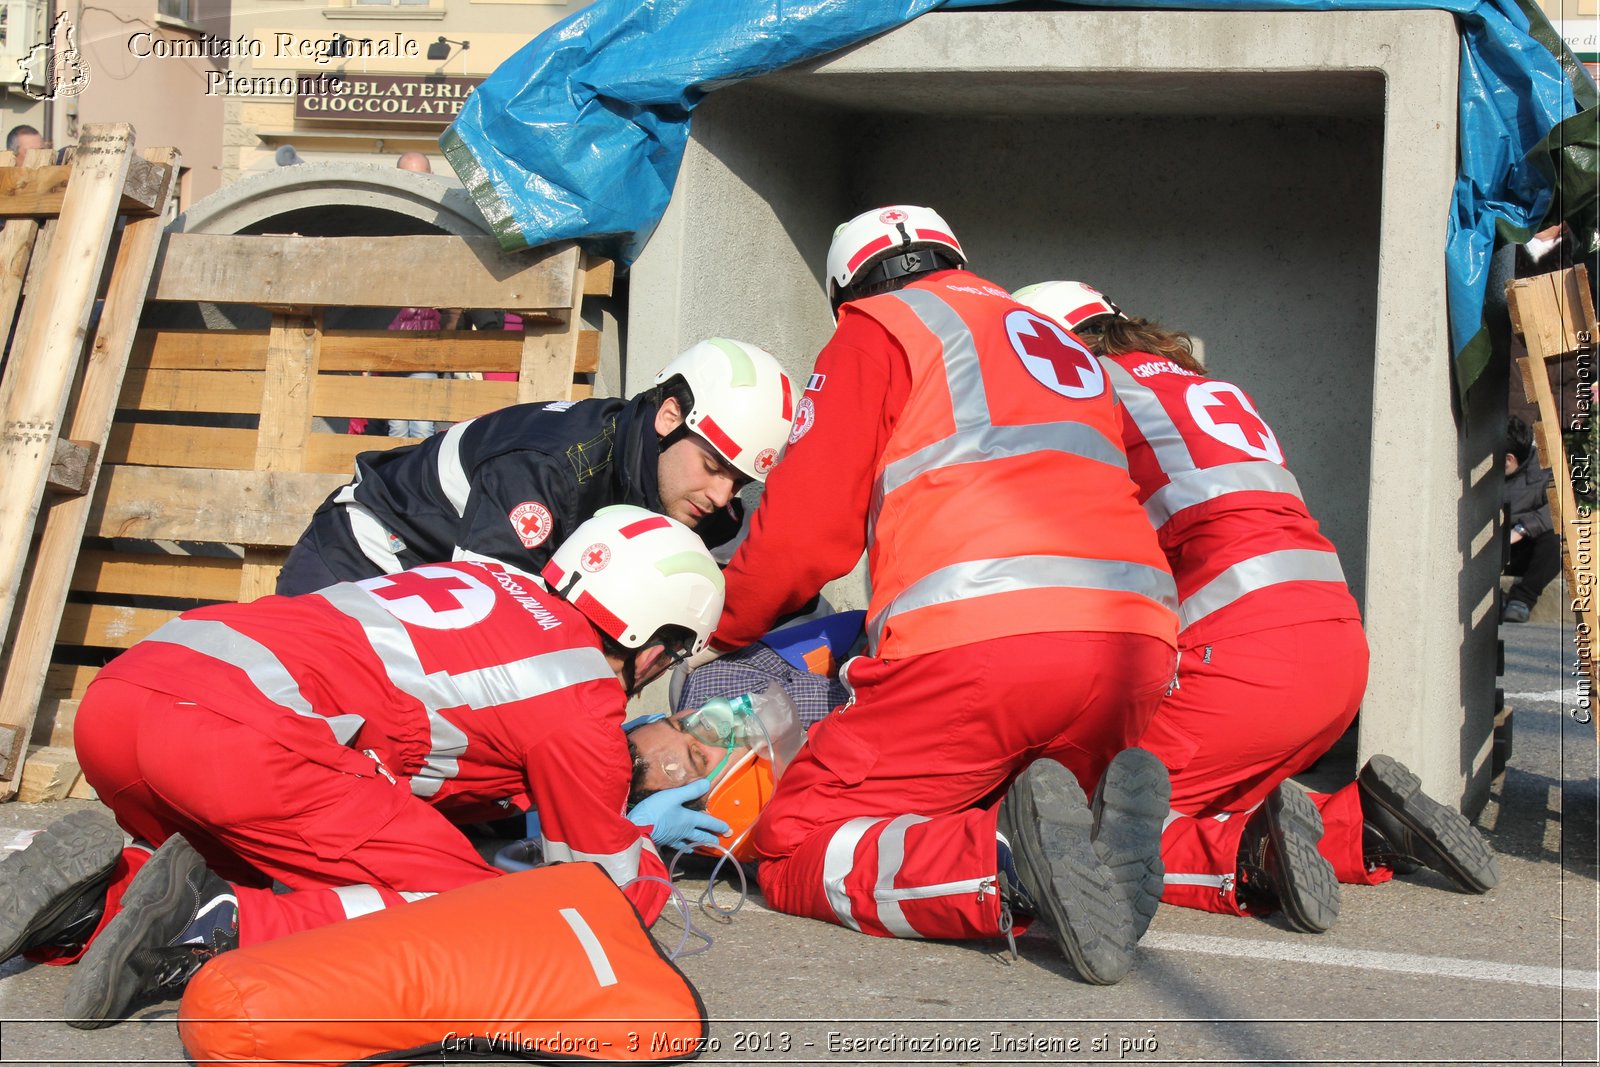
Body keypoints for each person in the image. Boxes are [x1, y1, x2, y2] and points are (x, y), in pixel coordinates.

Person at [695, 206, 1181, 985]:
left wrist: (718, 625)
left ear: (847, 289)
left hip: (984, 647)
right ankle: (1070, 842)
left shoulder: (878, 326)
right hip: (1135, 653)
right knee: (987, 794)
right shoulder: (1057, 339)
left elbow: (805, 537)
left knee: (794, 839)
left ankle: (1010, 872)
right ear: (955, 259)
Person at [27, 506, 722, 1028]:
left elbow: (428, 732)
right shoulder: (581, 692)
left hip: (128, 702)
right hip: (241, 740)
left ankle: (90, 906)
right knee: (484, 917)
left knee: (272, 870)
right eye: (672, 652)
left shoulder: (487, 575)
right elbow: (597, 899)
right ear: (651, 638)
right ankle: (213, 924)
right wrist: (644, 842)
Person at [1015, 281, 1499, 932]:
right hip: (1337, 657)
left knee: (1081, 824)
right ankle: (1368, 826)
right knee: (1196, 805)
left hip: (1239, 669)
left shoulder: (1091, 399)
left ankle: (1253, 857)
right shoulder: (1203, 389)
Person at [276, 338, 796, 595]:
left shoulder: (684, 489)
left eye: (741, 481)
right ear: (669, 418)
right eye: (713, 466)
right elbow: (487, 618)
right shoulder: (548, 469)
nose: (724, 496)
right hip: (362, 561)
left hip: (441, 578)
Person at [1502, 415, 1559, 623]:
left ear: (1509, 459)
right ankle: (1496, 598)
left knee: (1556, 540)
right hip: (1490, 549)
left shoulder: (1545, 468)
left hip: (1522, 546)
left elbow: (1558, 508)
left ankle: (1521, 600)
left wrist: (1521, 530)